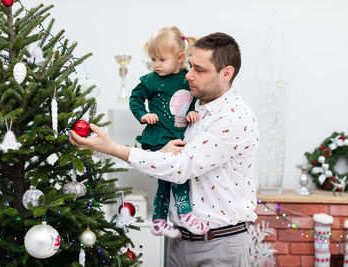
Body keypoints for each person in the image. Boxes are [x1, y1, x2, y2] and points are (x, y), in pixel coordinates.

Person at [70, 32, 259, 267]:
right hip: (178, 241)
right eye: (190, 66)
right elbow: (163, 166)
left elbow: (180, 168)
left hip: (219, 245)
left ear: (226, 73)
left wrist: (113, 149)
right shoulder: (188, 105)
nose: (188, 75)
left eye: (199, 70)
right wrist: (160, 153)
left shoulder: (234, 117)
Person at [129, 26, 209, 239]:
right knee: (177, 176)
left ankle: (158, 220)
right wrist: (143, 115)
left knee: (165, 181)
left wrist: (192, 112)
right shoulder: (151, 80)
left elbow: (191, 100)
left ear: (180, 57)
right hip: (158, 138)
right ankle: (185, 214)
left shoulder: (186, 78)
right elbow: (135, 98)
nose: (156, 64)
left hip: (178, 138)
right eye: (153, 59)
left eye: (161, 60)